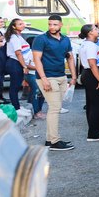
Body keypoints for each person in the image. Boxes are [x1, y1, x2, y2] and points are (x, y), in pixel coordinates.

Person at [31, 14, 77, 151]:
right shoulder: (41, 39)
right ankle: (54, 141)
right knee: (55, 108)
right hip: (47, 77)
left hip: (61, 76)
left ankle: (49, 140)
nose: (52, 27)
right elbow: (37, 59)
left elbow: (70, 58)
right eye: (50, 24)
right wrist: (44, 78)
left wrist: (74, 77)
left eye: (55, 24)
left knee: (55, 108)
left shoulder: (65, 39)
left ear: (61, 25)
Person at [78, 24, 99, 142]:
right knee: (97, 105)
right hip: (94, 74)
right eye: (96, 29)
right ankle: (94, 134)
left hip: (89, 73)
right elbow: (92, 64)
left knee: (94, 104)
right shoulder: (91, 46)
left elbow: (84, 63)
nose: (98, 30)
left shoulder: (85, 45)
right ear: (90, 33)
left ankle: (98, 129)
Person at [3, 19, 31, 111]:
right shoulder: (14, 37)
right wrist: (24, 66)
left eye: (23, 23)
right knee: (14, 87)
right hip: (14, 63)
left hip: (16, 63)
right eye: (20, 24)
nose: (23, 25)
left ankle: (17, 107)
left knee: (16, 86)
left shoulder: (18, 36)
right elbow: (18, 53)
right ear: (14, 27)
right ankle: (16, 108)